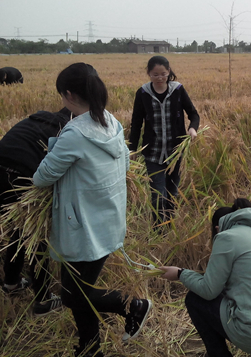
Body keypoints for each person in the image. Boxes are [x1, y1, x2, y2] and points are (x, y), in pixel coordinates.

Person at [33, 63, 151, 357]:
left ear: (69, 94)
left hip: (80, 226)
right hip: (107, 221)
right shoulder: (111, 122)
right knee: (80, 290)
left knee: (74, 295)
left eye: (62, 95)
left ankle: (132, 306)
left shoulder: (74, 134)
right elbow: (124, 165)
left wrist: (54, 148)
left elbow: (42, 177)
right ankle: (89, 347)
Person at [159, 198, 251, 357]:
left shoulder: (227, 237)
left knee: (195, 299)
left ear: (218, 228)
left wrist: (180, 273)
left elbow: (208, 290)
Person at [1, 108, 70, 316]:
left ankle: (11, 283)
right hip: (21, 177)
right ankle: (43, 299)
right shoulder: (67, 131)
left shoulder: (36, 119)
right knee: (37, 235)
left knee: (17, 230)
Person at [129, 55, 200, 225]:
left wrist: (192, 128)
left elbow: (193, 114)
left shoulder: (177, 90)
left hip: (175, 153)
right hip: (153, 153)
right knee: (157, 195)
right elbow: (136, 123)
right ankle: (158, 230)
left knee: (172, 193)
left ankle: (170, 225)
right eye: (155, 74)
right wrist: (132, 149)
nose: (160, 78)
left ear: (169, 72)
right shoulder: (143, 93)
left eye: (163, 74)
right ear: (148, 74)